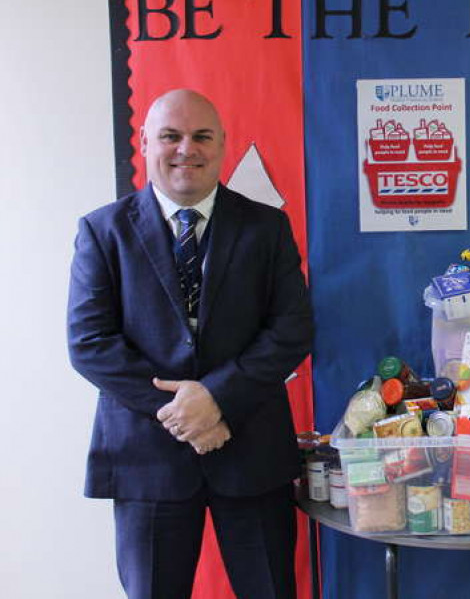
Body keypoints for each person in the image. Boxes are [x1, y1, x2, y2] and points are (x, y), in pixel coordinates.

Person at [68, 89, 314, 598]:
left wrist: (217, 399)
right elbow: (90, 343)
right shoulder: (101, 231)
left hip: (250, 451)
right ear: (144, 143)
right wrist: (185, 411)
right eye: (171, 136)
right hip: (147, 459)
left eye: (202, 136)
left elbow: (292, 329)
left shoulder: (266, 227)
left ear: (222, 145)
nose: (187, 149)